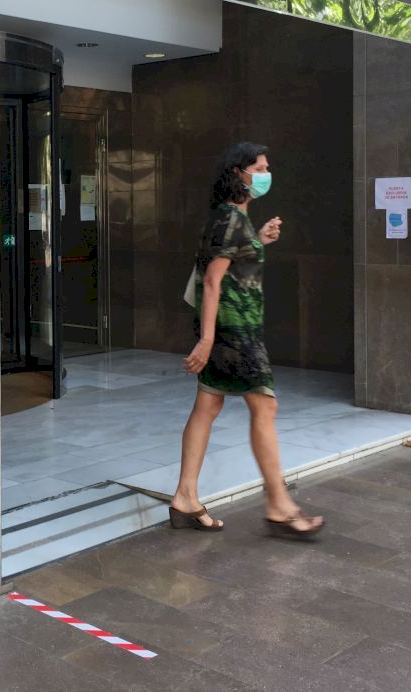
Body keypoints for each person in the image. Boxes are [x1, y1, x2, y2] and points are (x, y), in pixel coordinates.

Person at [168, 142, 324, 538]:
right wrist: (207, 340)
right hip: (234, 333)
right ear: (238, 172)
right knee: (265, 406)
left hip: (233, 329)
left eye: (267, 168)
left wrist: (258, 240)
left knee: (208, 404)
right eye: (260, 168)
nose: (266, 175)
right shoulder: (229, 220)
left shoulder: (232, 218)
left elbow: (231, 263)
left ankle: (185, 496)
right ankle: (279, 505)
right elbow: (211, 280)